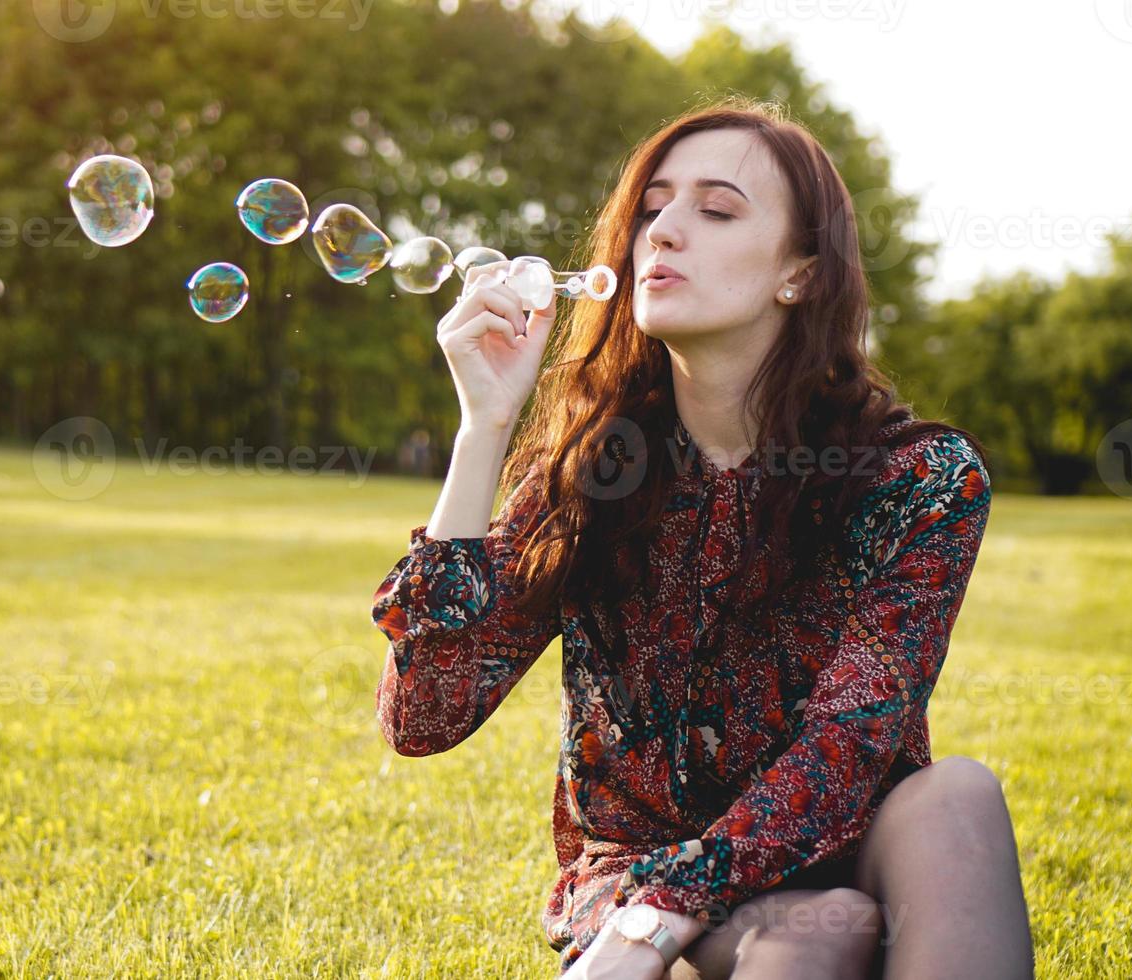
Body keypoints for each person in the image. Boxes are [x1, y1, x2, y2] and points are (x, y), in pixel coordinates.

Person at [369, 97, 1035, 979]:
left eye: (714, 210)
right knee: (817, 930)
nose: (664, 232)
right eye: (651, 210)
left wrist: (664, 916)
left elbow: (848, 749)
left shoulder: (916, 480)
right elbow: (423, 716)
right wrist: (484, 429)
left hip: (832, 838)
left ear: (799, 272)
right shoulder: (594, 470)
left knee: (957, 796)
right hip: (645, 874)